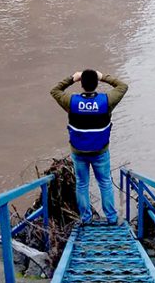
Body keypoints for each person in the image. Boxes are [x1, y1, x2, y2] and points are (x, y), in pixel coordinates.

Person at [51, 69, 128, 225]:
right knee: (105, 183)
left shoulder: (71, 102)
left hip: (78, 152)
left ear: (81, 84)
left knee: (82, 184)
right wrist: (103, 77)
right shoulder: (106, 101)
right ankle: (111, 218)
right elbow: (122, 86)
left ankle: (86, 219)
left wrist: (72, 78)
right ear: (96, 83)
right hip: (100, 151)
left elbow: (55, 90)